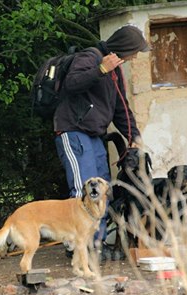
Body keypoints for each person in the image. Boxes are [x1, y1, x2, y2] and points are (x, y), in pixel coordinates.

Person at [53, 24, 149, 252]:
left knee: (102, 190)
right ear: (124, 47)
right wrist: (100, 70)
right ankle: (78, 247)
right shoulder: (90, 57)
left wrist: (133, 135)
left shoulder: (114, 69)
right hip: (73, 131)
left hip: (95, 135)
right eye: (135, 51)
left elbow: (120, 108)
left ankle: (96, 243)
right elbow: (71, 83)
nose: (135, 56)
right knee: (82, 189)